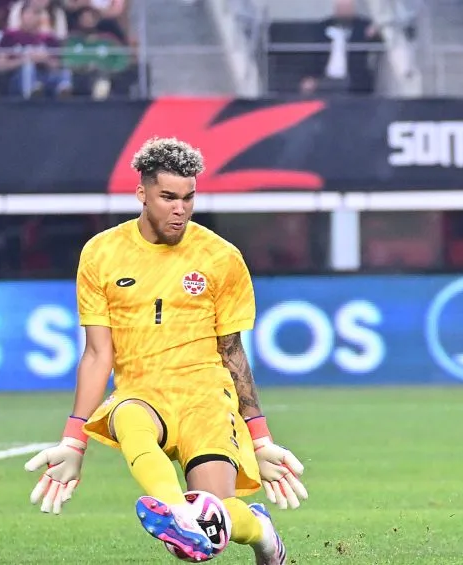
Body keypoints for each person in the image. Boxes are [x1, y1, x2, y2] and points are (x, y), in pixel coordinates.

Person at [23, 137, 308, 565]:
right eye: (168, 197)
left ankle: (262, 534)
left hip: (206, 397)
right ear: (142, 194)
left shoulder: (220, 257)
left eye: (189, 197)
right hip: (141, 393)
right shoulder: (102, 254)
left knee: (218, 521)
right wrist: (74, 441)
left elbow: (232, 353)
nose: (180, 209)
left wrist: (260, 438)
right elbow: (98, 354)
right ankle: (178, 514)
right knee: (129, 415)